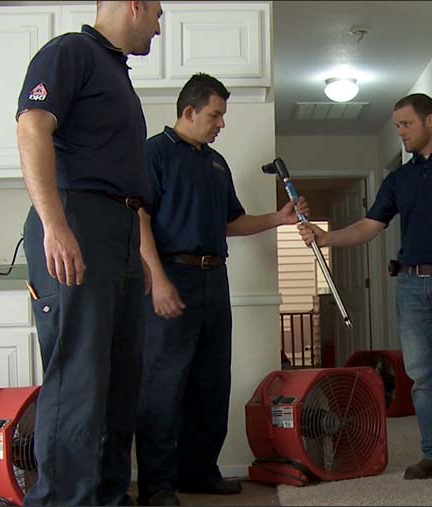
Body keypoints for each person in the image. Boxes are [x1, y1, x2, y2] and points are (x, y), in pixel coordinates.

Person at [299, 93, 432, 484]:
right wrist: (325, 238)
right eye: (397, 126)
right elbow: (370, 225)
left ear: (431, 121)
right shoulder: (400, 178)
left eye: (406, 124)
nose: (401, 133)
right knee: (422, 375)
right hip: (411, 287)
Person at [134, 72, 308, 507]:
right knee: (163, 383)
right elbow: (137, 220)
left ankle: (199, 472)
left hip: (215, 278)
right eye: (215, 115)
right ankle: (157, 483)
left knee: (211, 382)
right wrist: (157, 280)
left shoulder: (215, 163)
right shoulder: (153, 154)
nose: (221, 124)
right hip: (173, 274)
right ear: (189, 111)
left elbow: (232, 223)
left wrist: (278, 218)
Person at [15, 2, 162, 505]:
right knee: (79, 382)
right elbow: (32, 126)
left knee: (120, 386)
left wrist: (133, 250)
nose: (159, 26)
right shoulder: (70, 52)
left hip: (116, 232)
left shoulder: (115, 73)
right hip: (76, 220)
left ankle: (108, 499)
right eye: (158, 13)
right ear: (134, 5)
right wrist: (56, 225)